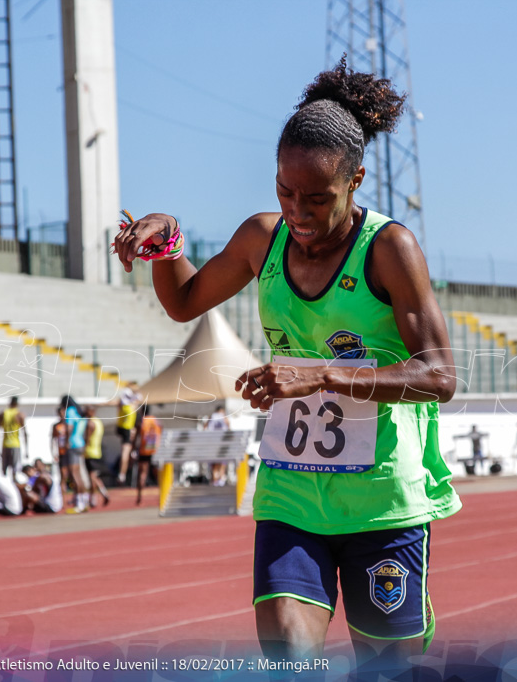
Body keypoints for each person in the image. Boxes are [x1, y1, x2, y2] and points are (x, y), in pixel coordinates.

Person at [114, 59, 461, 674]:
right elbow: (184, 301)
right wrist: (168, 244)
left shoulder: (390, 250)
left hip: (382, 500)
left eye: (317, 198)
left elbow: (440, 377)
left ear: (354, 180)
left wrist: (322, 374)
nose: (298, 212)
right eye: (285, 192)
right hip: (291, 492)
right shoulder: (262, 239)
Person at [60, 395, 91, 514]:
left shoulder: (70, 411)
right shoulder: (80, 412)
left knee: (74, 475)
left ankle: (79, 503)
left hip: (73, 444)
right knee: (79, 475)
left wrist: (67, 441)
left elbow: (69, 427)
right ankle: (84, 501)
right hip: (80, 443)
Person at [111, 381, 143, 484]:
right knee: (126, 450)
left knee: (127, 449)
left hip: (122, 426)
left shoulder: (123, 404)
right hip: (128, 428)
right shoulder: (132, 406)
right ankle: (122, 474)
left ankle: (132, 456)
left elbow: (119, 405)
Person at [130, 404, 162, 506]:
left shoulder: (142, 421)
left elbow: (136, 437)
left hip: (144, 450)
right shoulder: (155, 420)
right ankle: (161, 496)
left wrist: (133, 448)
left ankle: (139, 496)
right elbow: (161, 429)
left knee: (142, 474)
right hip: (155, 450)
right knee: (158, 475)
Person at [82, 405, 110, 508]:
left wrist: (82, 449)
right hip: (97, 452)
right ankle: (93, 499)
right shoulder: (99, 422)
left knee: (92, 477)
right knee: (93, 477)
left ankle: (103, 493)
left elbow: (87, 439)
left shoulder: (90, 423)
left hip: (89, 452)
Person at [0, 396, 28, 478]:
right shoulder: (19, 415)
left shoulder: (2, 414)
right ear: (17, 404)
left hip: (5, 444)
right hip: (15, 445)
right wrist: (26, 449)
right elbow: (25, 432)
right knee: (14, 471)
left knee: (4, 471)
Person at [207, 405, 231, 486]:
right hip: (221, 443)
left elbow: (205, 427)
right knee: (222, 464)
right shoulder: (224, 418)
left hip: (213, 443)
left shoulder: (211, 417)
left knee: (215, 465)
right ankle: (220, 480)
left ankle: (216, 481)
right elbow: (229, 427)